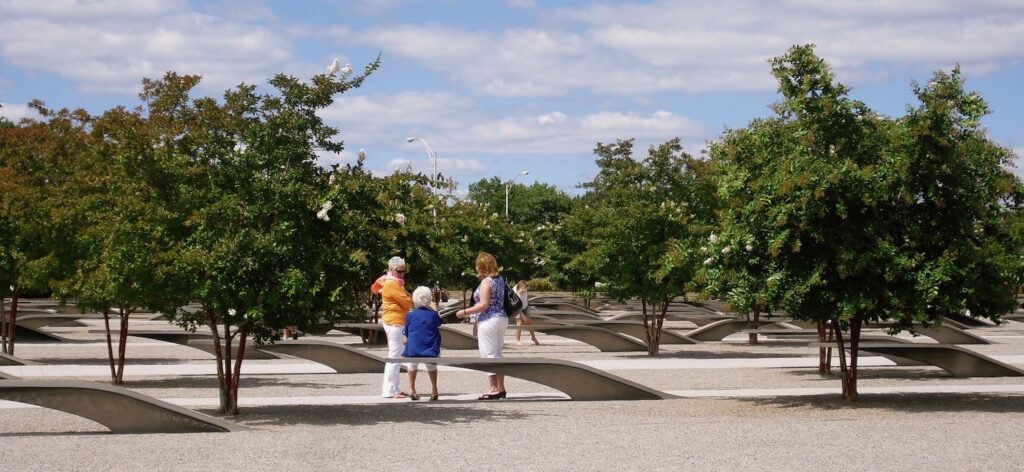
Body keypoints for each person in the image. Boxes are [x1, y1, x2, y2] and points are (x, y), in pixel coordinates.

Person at [455, 252, 509, 400]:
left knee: (488, 354)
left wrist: (464, 312)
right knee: (497, 353)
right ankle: (501, 388)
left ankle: (493, 389)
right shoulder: (500, 279)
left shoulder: (487, 282)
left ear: (482, 266)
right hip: (501, 318)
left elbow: (483, 305)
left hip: (488, 320)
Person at [378, 256, 412, 398]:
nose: (402, 274)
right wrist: (409, 297)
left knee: (397, 355)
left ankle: (394, 388)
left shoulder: (394, 282)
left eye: (404, 271)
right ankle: (389, 390)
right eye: (399, 271)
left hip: (395, 321)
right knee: (394, 356)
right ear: (391, 270)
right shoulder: (392, 284)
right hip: (395, 322)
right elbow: (407, 302)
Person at [403, 286, 443, 401]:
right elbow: (439, 322)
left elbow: (406, 331)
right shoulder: (433, 314)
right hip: (429, 348)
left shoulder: (410, 315)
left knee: (412, 365)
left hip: (413, 349)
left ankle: (412, 389)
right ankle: (434, 389)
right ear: (429, 299)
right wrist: (435, 309)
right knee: (431, 366)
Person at [513, 280, 541, 346]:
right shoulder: (516, 294)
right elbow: (517, 306)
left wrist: (527, 302)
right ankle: (518, 340)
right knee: (519, 323)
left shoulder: (524, 288)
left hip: (525, 306)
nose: (526, 289)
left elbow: (526, 296)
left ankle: (533, 338)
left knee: (530, 322)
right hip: (517, 308)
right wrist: (522, 315)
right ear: (521, 287)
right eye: (524, 288)